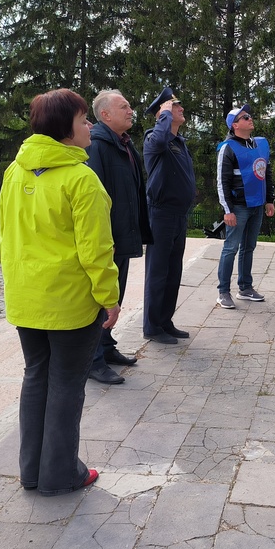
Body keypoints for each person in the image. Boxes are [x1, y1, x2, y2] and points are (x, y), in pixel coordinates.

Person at [0, 88, 119, 495]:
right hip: (69, 302)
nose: (89, 126)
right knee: (66, 383)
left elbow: (5, 237)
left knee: (37, 377)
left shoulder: (14, 172)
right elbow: (97, 250)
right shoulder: (81, 179)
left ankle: (32, 471)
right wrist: (109, 297)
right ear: (65, 129)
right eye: (84, 119)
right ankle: (60, 473)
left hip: (25, 297)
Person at [84, 89, 153, 384]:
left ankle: (107, 345)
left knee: (117, 292)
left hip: (123, 235)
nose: (131, 110)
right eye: (123, 106)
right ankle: (92, 360)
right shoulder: (97, 147)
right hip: (107, 237)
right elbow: (95, 199)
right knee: (101, 298)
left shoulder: (124, 144)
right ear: (105, 115)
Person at [142, 87, 196, 345]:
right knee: (158, 272)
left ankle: (165, 321)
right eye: (175, 106)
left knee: (174, 272)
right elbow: (161, 141)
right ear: (162, 114)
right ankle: (152, 327)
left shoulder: (179, 142)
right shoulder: (155, 139)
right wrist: (164, 115)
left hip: (178, 215)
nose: (181, 109)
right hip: (161, 214)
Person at [215, 103, 275, 309]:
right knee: (231, 248)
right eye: (245, 117)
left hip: (257, 205)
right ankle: (223, 291)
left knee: (249, 247)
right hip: (238, 207)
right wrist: (227, 210)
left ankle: (245, 288)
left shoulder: (260, 145)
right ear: (234, 125)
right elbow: (222, 182)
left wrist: (269, 199)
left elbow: (266, 173)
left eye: (249, 116)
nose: (250, 119)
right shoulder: (228, 148)